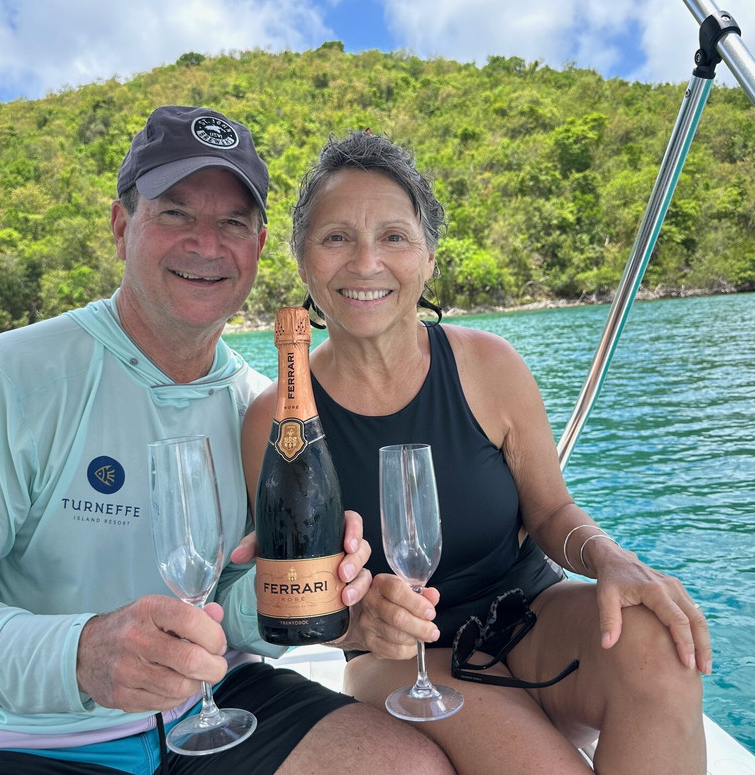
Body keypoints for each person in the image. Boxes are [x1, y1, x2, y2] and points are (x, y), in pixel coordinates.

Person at [0, 106, 454, 775]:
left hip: (216, 699)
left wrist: (315, 601)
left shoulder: (256, 407)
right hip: (30, 733)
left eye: (232, 223)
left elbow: (233, 604)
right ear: (123, 224)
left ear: (260, 243)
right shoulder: (14, 378)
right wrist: (80, 654)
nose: (206, 244)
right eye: (177, 214)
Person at [239, 130, 713, 774]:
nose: (366, 262)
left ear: (428, 256)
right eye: (336, 237)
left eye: (395, 237)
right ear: (303, 263)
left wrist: (609, 557)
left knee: (660, 645)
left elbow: (549, 513)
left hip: (530, 613)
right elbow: (299, 591)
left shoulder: (489, 366)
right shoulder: (277, 417)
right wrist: (357, 621)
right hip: (397, 654)